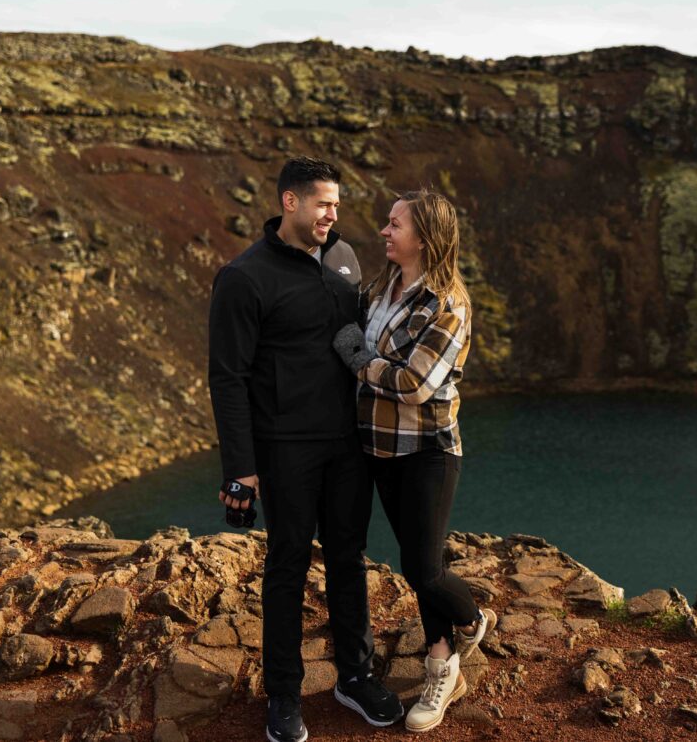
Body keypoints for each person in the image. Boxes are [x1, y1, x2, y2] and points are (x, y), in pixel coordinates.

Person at [208, 157, 402, 742]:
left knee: (348, 558)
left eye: (337, 205)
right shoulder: (243, 277)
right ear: (289, 202)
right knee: (288, 567)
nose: (333, 215)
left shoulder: (344, 260)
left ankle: (355, 677)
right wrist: (241, 469)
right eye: (323, 204)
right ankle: (285, 695)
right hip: (285, 449)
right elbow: (227, 378)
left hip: (349, 445)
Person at [332, 189, 497, 734]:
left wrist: (359, 359)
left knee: (423, 567)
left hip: (428, 449)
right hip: (379, 447)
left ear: (424, 237)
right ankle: (440, 661)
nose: (383, 230)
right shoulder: (383, 286)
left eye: (394, 224)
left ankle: (472, 620)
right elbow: (360, 333)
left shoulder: (448, 303)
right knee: (415, 560)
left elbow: (415, 384)